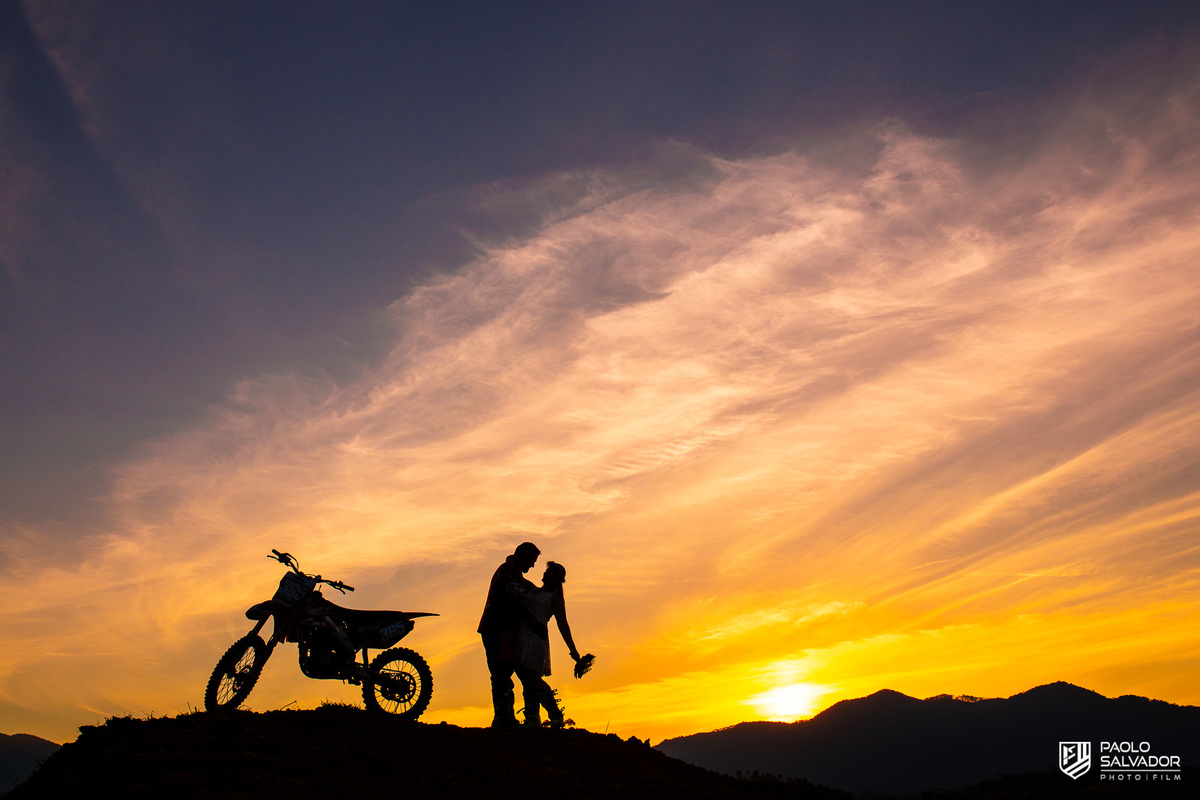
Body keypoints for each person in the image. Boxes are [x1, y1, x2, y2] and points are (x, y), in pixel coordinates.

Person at [478, 541, 540, 729]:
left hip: (502, 628)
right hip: (498, 626)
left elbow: (521, 591)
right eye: (532, 560)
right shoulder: (507, 571)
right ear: (523, 556)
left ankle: (506, 716)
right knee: (501, 670)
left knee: (504, 669)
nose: (533, 565)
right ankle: (503, 717)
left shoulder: (516, 576)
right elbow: (507, 594)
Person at [514, 560, 581, 728]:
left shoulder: (555, 599)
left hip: (536, 638)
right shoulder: (533, 590)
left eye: (550, 572)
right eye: (546, 571)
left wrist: (572, 649)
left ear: (556, 578)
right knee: (524, 676)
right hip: (522, 636)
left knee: (532, 678)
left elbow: (563, 624)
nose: (546, 573)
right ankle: (532, 718)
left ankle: (555, 714)